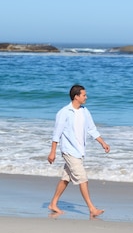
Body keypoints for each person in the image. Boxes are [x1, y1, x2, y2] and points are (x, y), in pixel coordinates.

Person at [47, 84, 110, 218]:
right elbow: (56, 134)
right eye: (84, 95)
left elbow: (92, 129)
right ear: (76, 96)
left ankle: (53, 203)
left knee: (66, 178)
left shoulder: (84, 111)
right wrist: (52, 152)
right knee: (82, 178)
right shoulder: (64, 113)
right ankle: (92, 208)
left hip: (79, 151)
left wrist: (103, 143)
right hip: (69, 151)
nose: (86, 97)